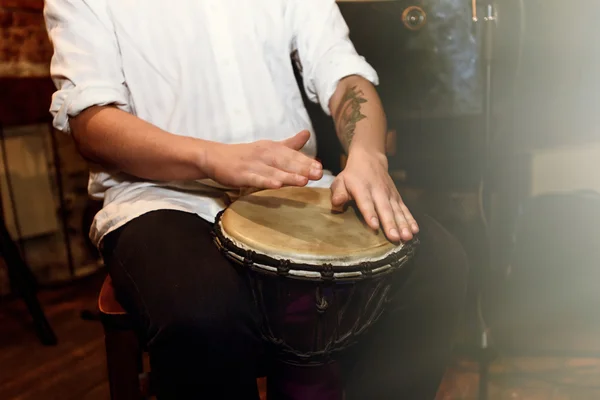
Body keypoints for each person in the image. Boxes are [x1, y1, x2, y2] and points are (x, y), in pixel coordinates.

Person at [44, 0, 468, 398]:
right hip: (162, 196)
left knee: (437, 266)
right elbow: (91, 122)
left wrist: (368, 153)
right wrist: (211, 158)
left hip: (293, 188)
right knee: (204, 316)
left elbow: (344, 76)